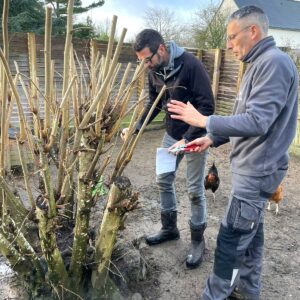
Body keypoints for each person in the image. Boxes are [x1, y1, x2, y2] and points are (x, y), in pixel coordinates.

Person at [167, 5, 298, 300]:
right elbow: (247, 117)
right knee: (250, 240)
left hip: (255, 173)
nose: (227, 44)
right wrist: (211, 138)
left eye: (231, 36)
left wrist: (203, 120)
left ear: (252, 31)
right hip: (254, 170)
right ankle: (247, 292)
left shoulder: (273, 64)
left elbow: (258, 121)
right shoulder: (262, 63)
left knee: (230, 243)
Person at [121, 29, 215, 268]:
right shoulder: (153, 71)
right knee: (164, 180)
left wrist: (189, 138)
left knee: (194, 188)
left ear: (161, 49)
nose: (145, 65)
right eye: (142, 61)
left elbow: (208, 105)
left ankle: (197, 242)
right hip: (171, 134)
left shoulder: (191, 65)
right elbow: (154, 101)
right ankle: (169, 229)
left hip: (195, 136)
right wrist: (138, 126)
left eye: (147, 59)